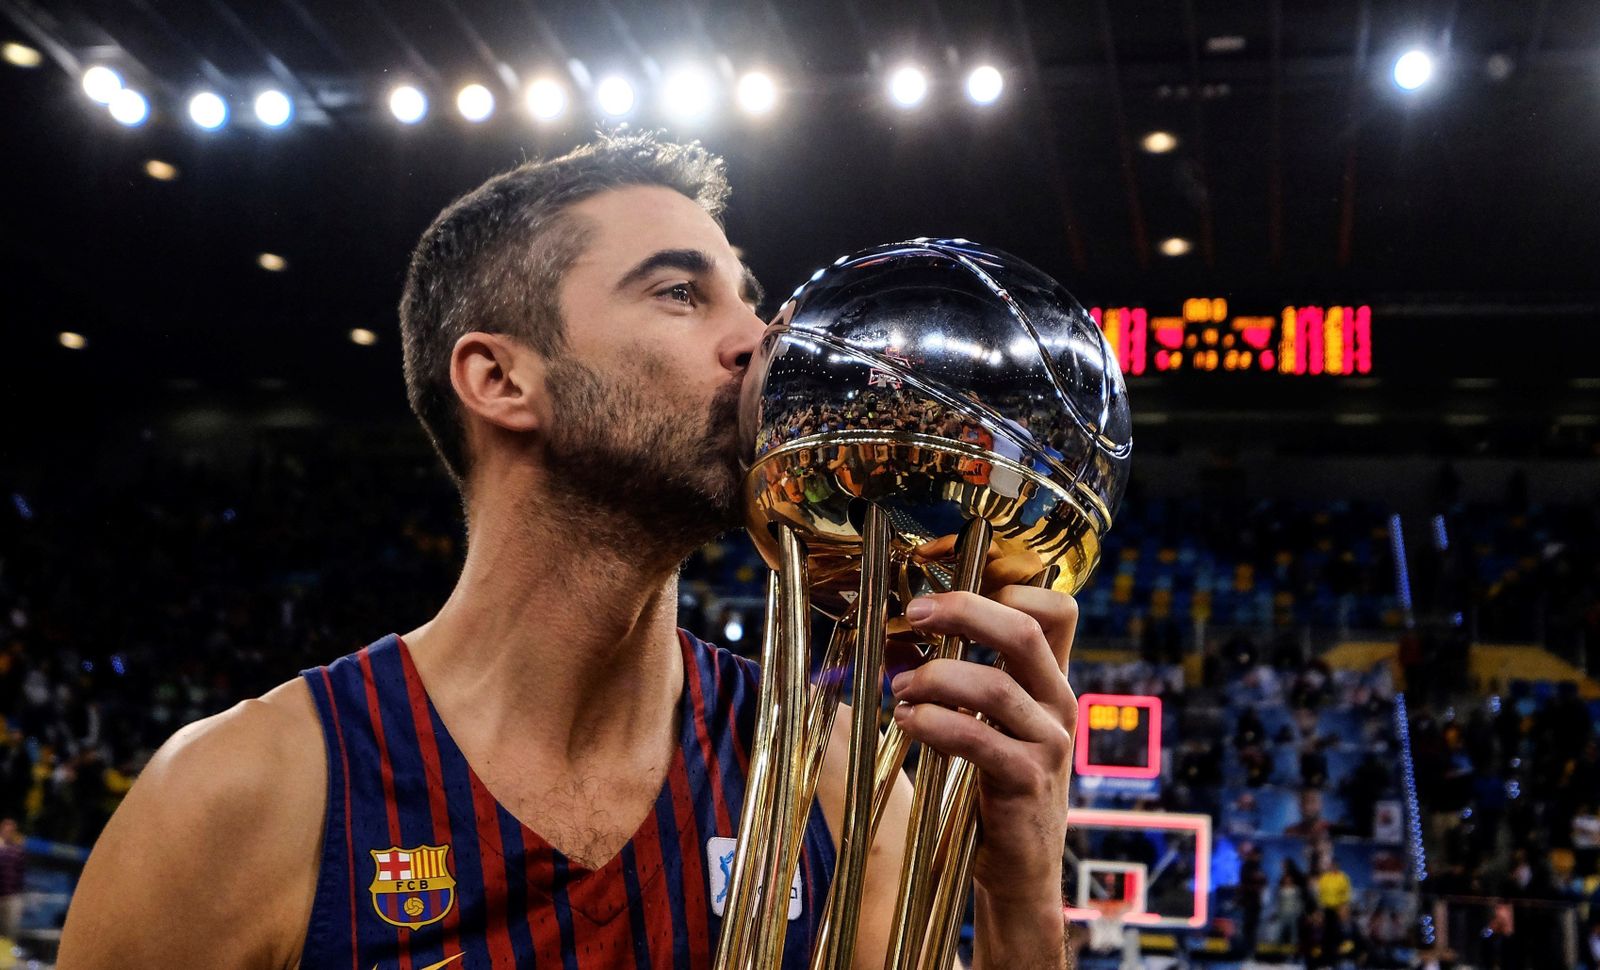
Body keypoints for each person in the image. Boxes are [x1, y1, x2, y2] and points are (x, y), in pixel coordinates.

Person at [55, 134, 1082, 969]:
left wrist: (1023, 896)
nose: (759, 340)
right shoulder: (245, 796)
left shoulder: (834, 780)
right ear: (501, 380)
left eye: (746, 296)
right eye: (682, 293)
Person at [0, 817, 23, 946]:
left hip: (11, 897)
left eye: (11, 830)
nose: (8, 832)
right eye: (6, 829)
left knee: (9, 932)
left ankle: (5, 961)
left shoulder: (18, 850)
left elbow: (21, 872)